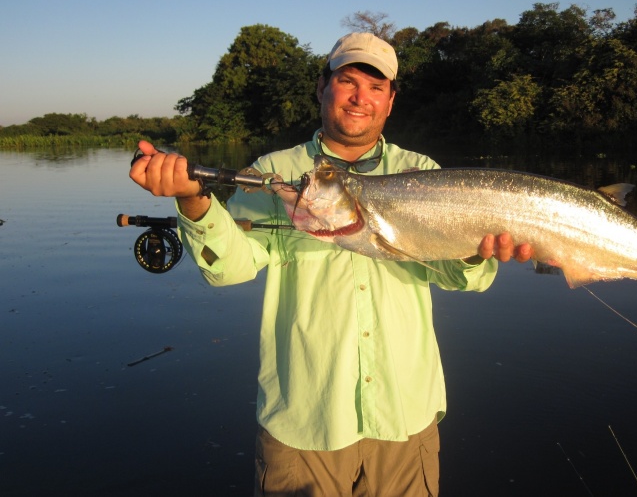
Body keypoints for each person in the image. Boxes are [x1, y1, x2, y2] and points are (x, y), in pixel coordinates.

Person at [130, 32, 532, 497]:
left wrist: (473, 252)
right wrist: (193, 200)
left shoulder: (424, 171)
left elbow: (463, 279)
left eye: (376, 87)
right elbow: (229, 268)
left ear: (391, 100)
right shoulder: (274, 171)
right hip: (304, 425)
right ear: (322, 87)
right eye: (348, 81)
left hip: (405, 418)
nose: (362, 97)